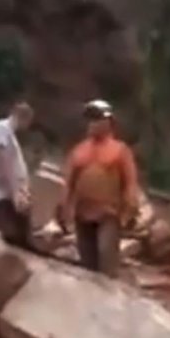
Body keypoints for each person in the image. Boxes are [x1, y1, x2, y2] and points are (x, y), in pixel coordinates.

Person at [60, 99, 140, 276]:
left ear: (108, 123)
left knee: (106, 256)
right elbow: (69, 183)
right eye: (90, 120)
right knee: (87, 263)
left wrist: (130, 210)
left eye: (97, 119)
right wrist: (63, 208)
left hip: (108, 214)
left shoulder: (120, 151)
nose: (92, 124)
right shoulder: (79, 150)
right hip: (83, 214)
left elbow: (130, 182)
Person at [0, 100, 34, 248]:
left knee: (21, 242)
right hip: (3, 196)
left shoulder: (10, 135)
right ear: (23, 118)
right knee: (7, 241)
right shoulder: (1, 129)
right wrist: (15, 192)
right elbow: (2, 159)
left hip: (11, 196)